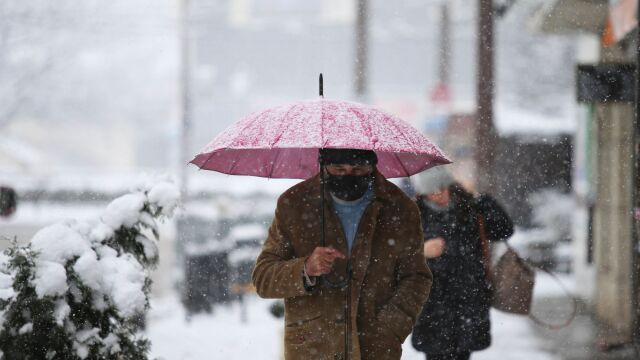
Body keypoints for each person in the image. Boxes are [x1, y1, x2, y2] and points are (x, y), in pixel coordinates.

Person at [252, 148, 433, 360]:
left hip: (375, 349)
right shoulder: (293, 204)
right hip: (312, 348)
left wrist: (390, 326)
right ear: (323, 165)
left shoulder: (400, 208)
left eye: (358, 169)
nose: (348, 175)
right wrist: (305, 268)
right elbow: (263, 277)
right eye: (338, 168)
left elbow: (416, 277)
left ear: (372, 165)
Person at [410, 167, 514, 360]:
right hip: (432, 304)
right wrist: (421, 251)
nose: (439, 193)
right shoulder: (413, 214)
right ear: (422, 193)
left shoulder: (471, 207)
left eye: (442, 187)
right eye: (432, 190)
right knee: (435, 354)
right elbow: (392, 256)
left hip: (468, 298)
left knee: (463, 354)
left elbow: (504, 230)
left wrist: (483, 200)